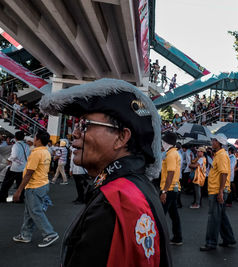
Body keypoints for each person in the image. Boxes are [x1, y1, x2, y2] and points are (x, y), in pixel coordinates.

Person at [39, 78, 172, 266]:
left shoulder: (117, 199)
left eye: (85, 125)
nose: (74, 134)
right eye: (76, 125)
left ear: (121, 137)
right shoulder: (134, 187)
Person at [12, 131, 59, 247]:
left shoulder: (36, 153)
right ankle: (25, 235)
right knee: (29, 212)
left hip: (34, 186)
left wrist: (18, 191)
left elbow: (29, 173)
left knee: (35, 211)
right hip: (42, 184)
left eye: (35, 137)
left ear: (37, 140)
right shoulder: (46, 151)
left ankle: (50, 234)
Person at [200, 133, 236, 251]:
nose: (212, 142)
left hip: (217, 190)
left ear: (219, 142)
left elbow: (224, 173)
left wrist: (220, 192)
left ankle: (211, 243)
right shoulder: (220, 154)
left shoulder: (221, 155)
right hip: (217, 190)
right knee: (221, 215)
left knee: (214, 217)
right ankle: (229, 239)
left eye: (214, 140)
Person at [160, 132, 183, 246]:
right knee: (174, 215)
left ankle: (159, 238)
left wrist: (164, 191)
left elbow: (170, 173)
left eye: (163, 141)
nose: (162, 143)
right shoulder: (173, 153)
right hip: (173, 188)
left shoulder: (170, 155)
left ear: (168, 143)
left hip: (169, 189)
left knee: (160, 214)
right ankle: (177, 237)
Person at [0, 131, 30, 203]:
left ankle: (2, 197)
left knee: (6, 183)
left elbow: (14, 155)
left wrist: (9, 159)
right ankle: (20, 198)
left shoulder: (16, 145)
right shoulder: (26, 145)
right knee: (20, 183)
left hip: (15, 167)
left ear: (15, 138)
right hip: (23, 167)